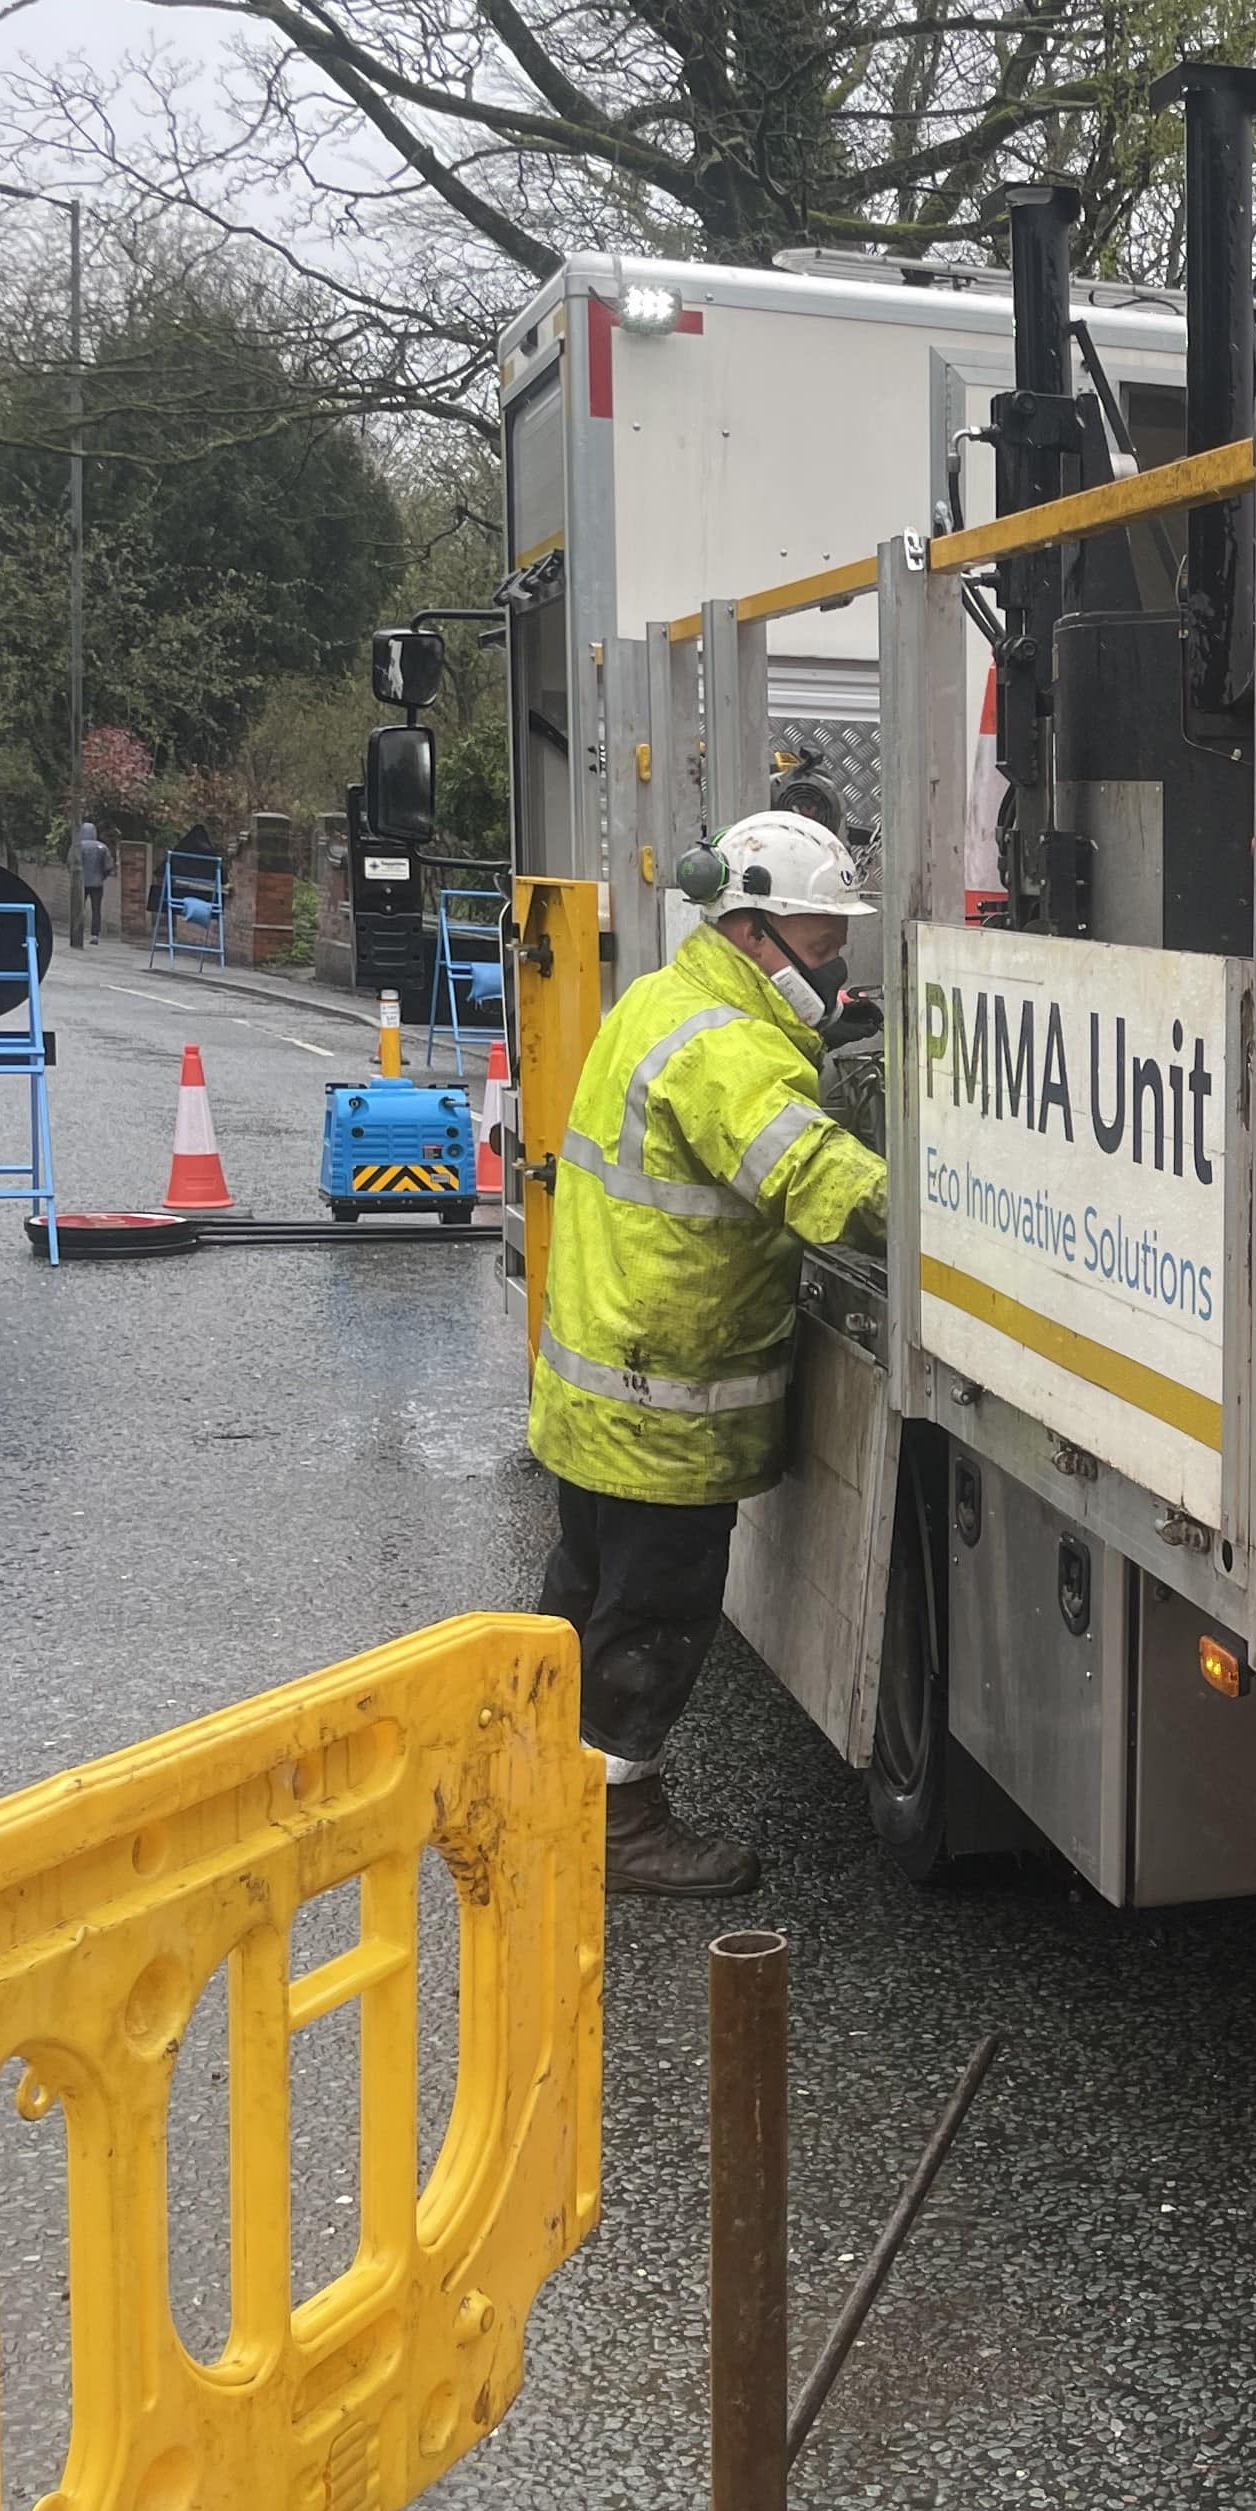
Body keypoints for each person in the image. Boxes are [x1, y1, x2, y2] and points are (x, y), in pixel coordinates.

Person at [528, 809, 888, 1895]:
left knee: (581, 1597)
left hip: (600, 1387)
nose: (830, 972)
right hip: (663, 1404)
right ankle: (617, 1820)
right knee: (655, 1620)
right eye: (821, 950)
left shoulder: (663, 999)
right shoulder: (727, 1049)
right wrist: (961, 1206)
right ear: (753, 931)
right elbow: (822, 1182)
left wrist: (826, 1032)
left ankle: (538, 1789)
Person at [71, 821, 109, 947]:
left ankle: (77, 931)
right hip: (97, 883)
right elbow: (108, 866)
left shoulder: (77, 846)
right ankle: (95, 935)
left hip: (80, 883)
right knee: (96, 909)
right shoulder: (102, 847)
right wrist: (102, 877)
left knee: (78, 908)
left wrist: (75, 877)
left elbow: (70, 862)